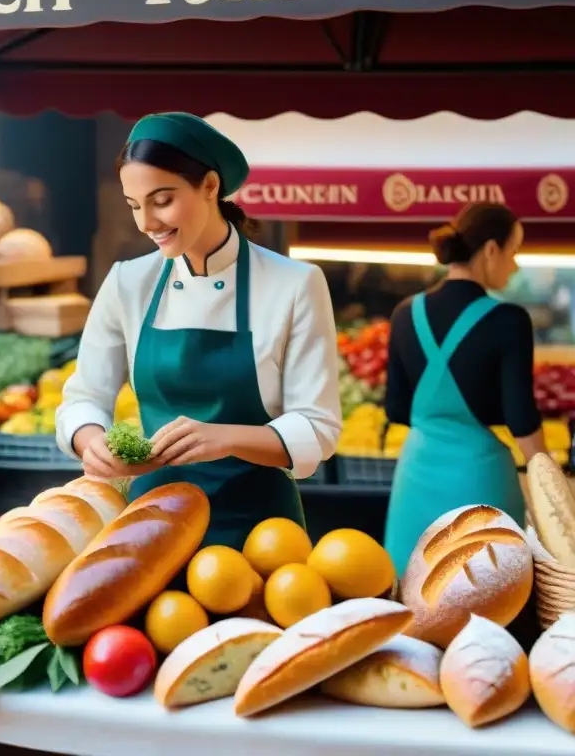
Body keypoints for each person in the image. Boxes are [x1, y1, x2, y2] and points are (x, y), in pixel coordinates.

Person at [55, 112, 342, 549]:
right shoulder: (127, 283)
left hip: (262, 534)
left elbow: (318, 428)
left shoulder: (294, 284)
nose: (146, 223)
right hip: (151, 531)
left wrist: (223, 437)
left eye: (162, 200)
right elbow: (83, 398)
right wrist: (90, 441)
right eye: (134, 205)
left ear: (210, 186)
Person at [383, 202, 545, 576]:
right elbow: (522, 420)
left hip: (415, 477)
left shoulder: (405, 313)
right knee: (484, 592)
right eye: (514, 252)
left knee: (413, 593)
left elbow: (395, 408)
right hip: (480, 480)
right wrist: (551, 490)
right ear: (491, 250)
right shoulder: (509, 320)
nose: (515, 264)